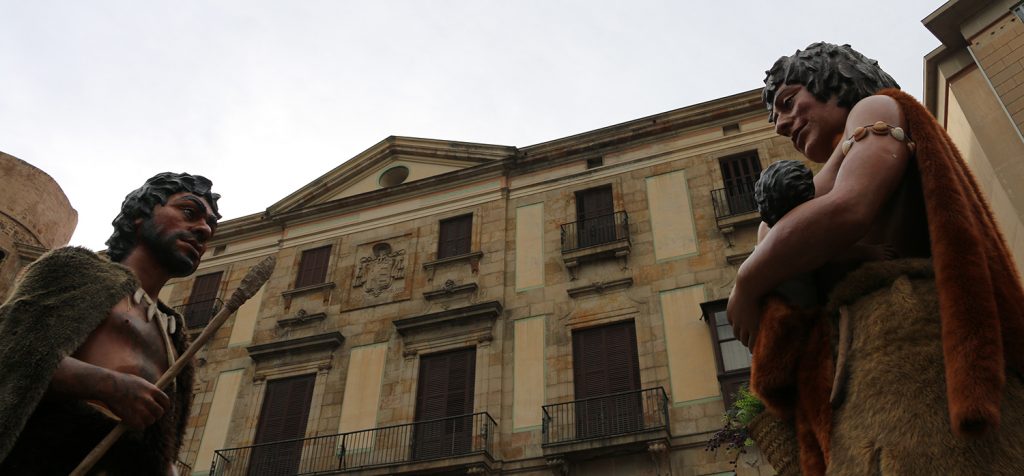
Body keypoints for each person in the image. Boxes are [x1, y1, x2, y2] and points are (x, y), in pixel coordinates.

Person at [730, 42, 1024, 474]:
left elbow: (851, 207)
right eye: (776, 117)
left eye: (789, 102)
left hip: (916, 349)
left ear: (836, 80)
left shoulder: (875, 109)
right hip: (850, 384)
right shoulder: (802, 194)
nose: (781, 125)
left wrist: (747, 283)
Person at [0, 172, 220, 475]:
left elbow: (159, 443)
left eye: (210, 225)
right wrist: (107, 385)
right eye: (189, 212)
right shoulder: (74, 270)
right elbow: (9, 350)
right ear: (140, 216)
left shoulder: (173, 336)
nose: (203, 230)